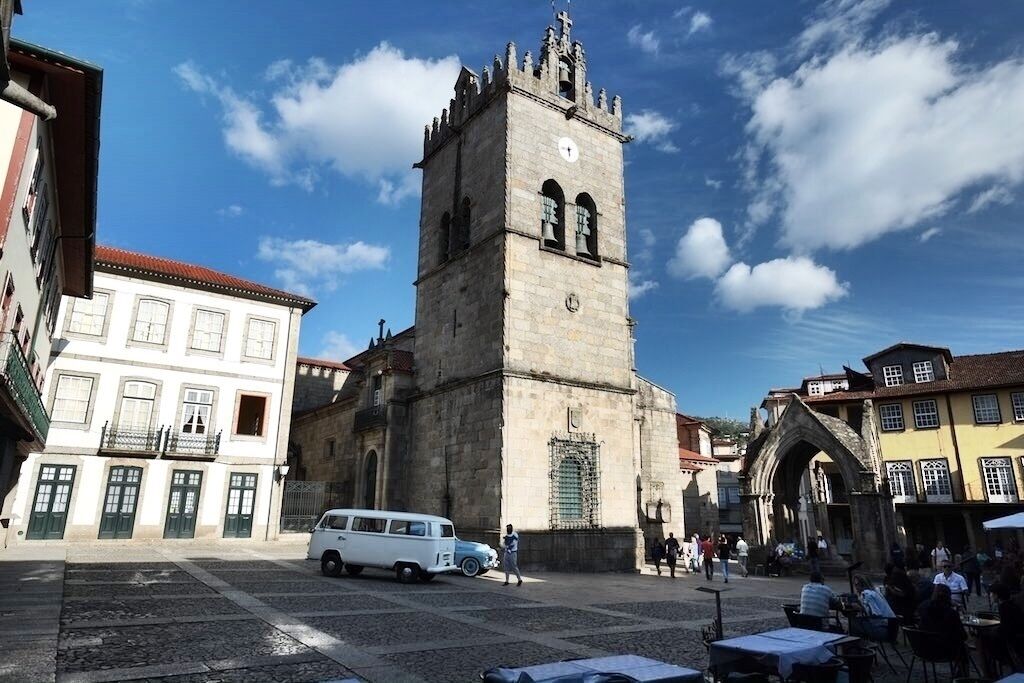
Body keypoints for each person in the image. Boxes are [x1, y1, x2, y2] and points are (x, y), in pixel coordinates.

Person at [917, 584, 968, 674]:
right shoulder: (951, 613)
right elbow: (962, 636)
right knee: (963, 648)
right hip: (945, 650)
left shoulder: (923, 607)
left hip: (924, 648)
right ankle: (962, 675)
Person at [854, 575, 897, 640]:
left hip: (884, 631)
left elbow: (875, 614)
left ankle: (856, 646)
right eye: (855, 584)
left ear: (863, 584)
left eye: (857, 584)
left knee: (853, 621)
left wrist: (861, 608)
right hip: (892, 630)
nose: (856, 587)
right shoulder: (875, 591)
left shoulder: (867, 594)